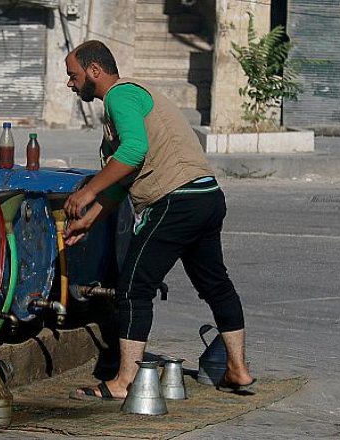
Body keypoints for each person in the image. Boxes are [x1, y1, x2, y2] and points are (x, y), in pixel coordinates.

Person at [63, 40, 256, 400]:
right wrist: (89, 219)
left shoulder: (121, 96)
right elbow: (123, 182)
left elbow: (134, 153)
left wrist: (87, 193)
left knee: (133, 288)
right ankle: (238, 369)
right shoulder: (131, 100)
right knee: (216, 284)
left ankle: (124, 382)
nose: (71, 84)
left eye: (73, 76)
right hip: (206, 197)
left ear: (94, 71)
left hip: (175, 200)